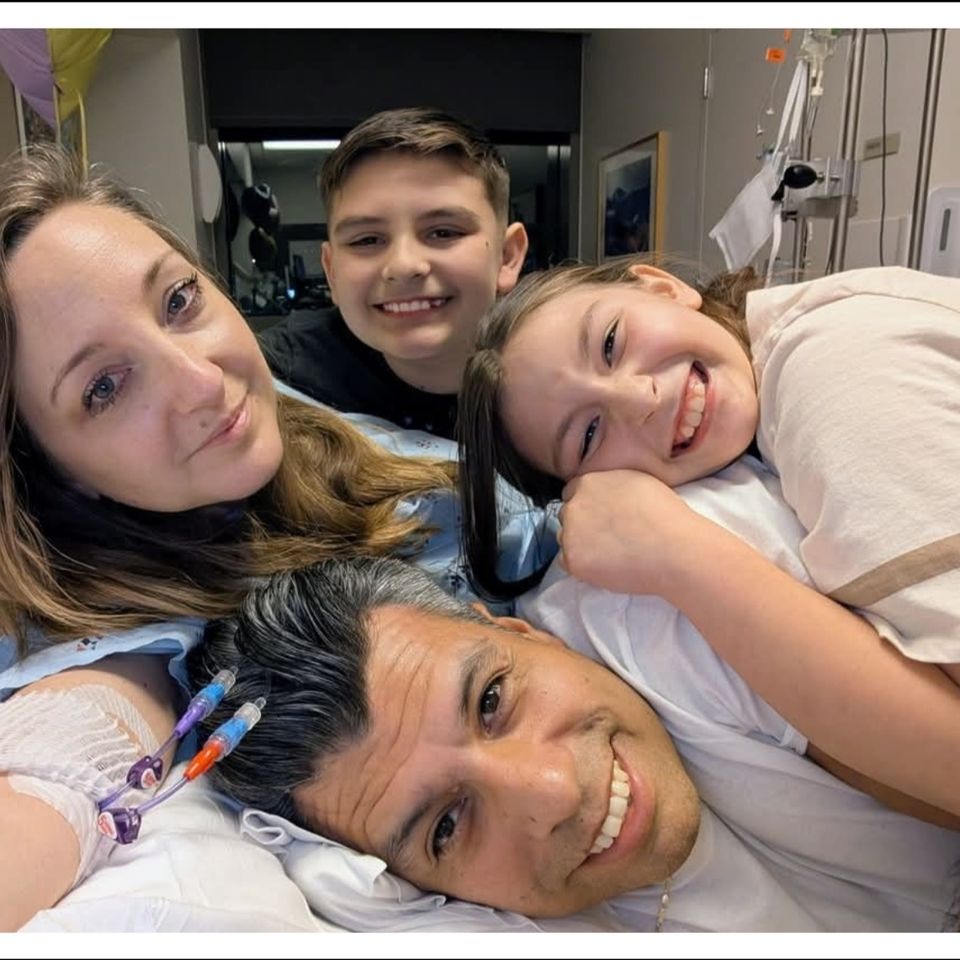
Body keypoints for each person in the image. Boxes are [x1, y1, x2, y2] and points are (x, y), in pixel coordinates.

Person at [0, 142, 482, 931]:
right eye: (105, 387)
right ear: (51, 473)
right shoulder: (129, 637)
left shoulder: (347, 436)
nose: (201, 379)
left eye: (179, 301)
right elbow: (72, 749)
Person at [188, 556, 960, 932]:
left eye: (493, 700)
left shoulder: (677, 620)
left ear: (520, 632)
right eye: (446, 827)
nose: (553, 792)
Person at [457, 259, 960, 686]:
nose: (641, 398)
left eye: (611, 343)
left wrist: (679, 553)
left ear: (662, 287)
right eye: (589, 435)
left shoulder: (827, 380)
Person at [258, 106, 529, 439]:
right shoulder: (273, 377)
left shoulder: (559, 382)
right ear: (331, 271)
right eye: (367, 240)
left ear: (507, 256)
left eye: (443, 232)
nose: (403, 266)